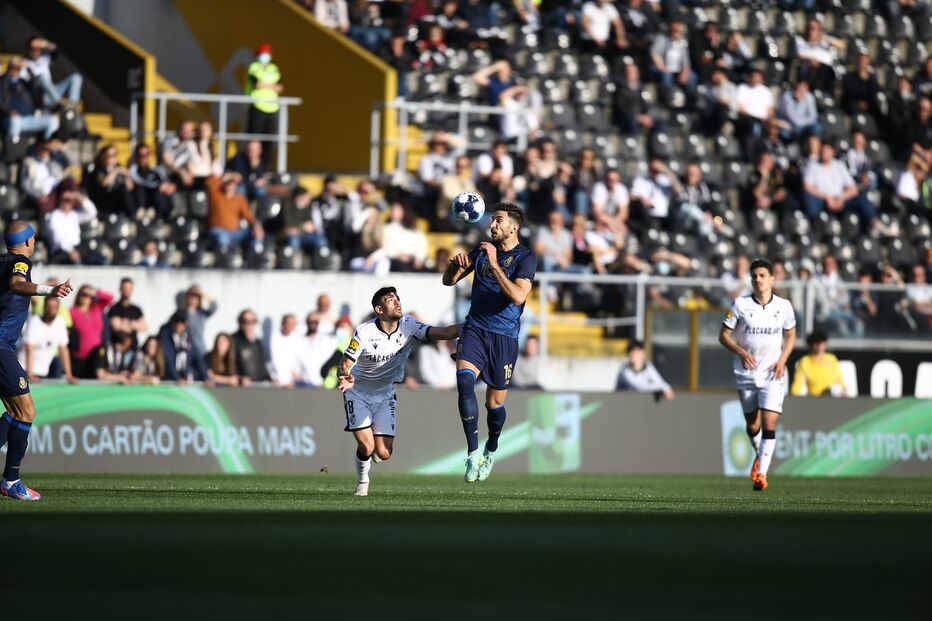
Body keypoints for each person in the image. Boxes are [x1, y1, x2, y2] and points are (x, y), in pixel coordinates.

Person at [442, 203, 537, 483]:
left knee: (494, 406)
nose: (492, 225)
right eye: (492, 220)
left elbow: (519, 297)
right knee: (463, 381)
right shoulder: (482, 250)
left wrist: (495, 264)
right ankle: (472, 455)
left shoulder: (525, 258)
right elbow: (449, 281)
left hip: (504, 338)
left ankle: (490, 448)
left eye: (498, 220)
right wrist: (454, 266)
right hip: (475, 329)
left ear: (513, 227)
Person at [337, 286, 460, 496]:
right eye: (389, 299)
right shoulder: (364, 332)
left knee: (384, 453)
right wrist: (344, 374)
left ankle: (377, 452)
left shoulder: (408, 324)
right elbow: (345, 363)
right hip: (359, 393)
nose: (396, 301)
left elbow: (443, 332)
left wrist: (473, 325)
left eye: (397, 298)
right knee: (367, 448)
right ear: (379, 309)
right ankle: (362, 482)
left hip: (385, 394)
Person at [0, 220, 73, 500]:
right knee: (26, 412)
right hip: (2, 347)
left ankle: (10, 480)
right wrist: (50, 290)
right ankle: (11, 480)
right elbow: (17, 284)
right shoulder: (19, 263)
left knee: (16, 413)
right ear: (29, 241)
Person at [719, 258, 796, 492]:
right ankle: (758, 457)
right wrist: (741, 352)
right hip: (747, 373)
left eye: (762, 275)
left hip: (773, 373)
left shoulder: (784, 306)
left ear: (772, 278)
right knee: (753, 426)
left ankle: (761, 475)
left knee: (770, 423)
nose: (758, 279)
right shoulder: (739, 305)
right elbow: (723, 335)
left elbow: (791, 335)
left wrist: (782, 360)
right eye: (754, 276)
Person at [19, 296, 77, 384]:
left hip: (42, 372)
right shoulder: (35, 321)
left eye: (54, 307)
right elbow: (29, 349)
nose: (51, 310)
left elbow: (63, 350)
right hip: (24, 370)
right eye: (49, 307)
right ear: (44, 307)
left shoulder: (60, 322)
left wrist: (69, 375)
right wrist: (30, 375)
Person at [245, 43, 283, 160]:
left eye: (267, 53)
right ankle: (252, 164)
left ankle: (264, 165)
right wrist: (272, 85)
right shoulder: (254, 67)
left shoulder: (274, 68)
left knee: (269, 140)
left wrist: (264, 85)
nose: (265, 56)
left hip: (272, 107)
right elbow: (257, 84)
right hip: (257, 106)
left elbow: (280, 87)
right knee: (254, 140)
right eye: (262, 53)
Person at [206, 172, 264, 249]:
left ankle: (257, 255)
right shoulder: (216, 194)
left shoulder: (239, 198)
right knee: (222, 238)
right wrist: (225, 176)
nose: (230, 185)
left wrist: (256, 226)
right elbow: (209, 182)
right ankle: (225, 257)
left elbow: (248, 216)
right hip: (218, 230)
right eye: (227, 182)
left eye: (232, 183)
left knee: (256, 234)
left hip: (235, 232)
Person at [22, 36, 82, 108]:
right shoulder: (24, 63)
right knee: (41, 77)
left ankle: (71, 107)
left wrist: (45, 44)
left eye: (38, 49)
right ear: (29, 50)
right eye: (34, 49)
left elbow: (58, 50)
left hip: (53, 91)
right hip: (41, 96)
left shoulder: (44, 58)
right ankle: (59, 105)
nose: (36, 51)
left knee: (76, 77)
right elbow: (25, 84)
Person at [70, 284, 114, 379]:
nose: (86, 297)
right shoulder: (72, 312)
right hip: (81, 357)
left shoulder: (97, 309)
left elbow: (110, 298)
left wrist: (94, 292)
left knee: (101, 348)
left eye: (88, 295)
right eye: (83, 294)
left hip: (97, 356)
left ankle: (106, 375)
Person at [790, 330, 847, 397]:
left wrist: (843, 388)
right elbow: (798, 383)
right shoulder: (805, 361)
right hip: (814, 399)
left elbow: (839, 379)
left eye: (822, 342)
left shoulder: (831, 359)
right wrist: (793, 396)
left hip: (832, 398)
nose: (820, 345)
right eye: (816, 342)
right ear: (811, 344)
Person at [158, 311, 207, 382]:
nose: (179, 324)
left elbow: (198, 360)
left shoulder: (189, 340)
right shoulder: (166, 339)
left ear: (186, 324)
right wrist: (177, 378)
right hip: (169, 380)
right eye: (176, 321)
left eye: (182, 322)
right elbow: (168, 361)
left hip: (184, 379)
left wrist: (206, 377)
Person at [108, 277, 148, 349]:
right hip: (118, 348)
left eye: (129, 289)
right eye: (125, 288)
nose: (127, 291)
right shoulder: (114, 309)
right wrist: (134, 324)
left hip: (133, 348)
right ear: (120, 289)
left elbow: (144, 327)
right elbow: (116, 327)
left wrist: (127, 323)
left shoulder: (136, 309)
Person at [232, 308, 269, 384]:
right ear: (240, 322)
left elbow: (262, 365)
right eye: (245, 321)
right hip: (241, 387)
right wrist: (239, 378)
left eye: (252, 321)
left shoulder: (258, 342)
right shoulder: (232, 340)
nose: (249, 324)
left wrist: (270, 379)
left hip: (258, 385)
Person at [268, 313, 302, 387]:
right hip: (277, 382)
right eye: (288, 323)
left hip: (293, 382)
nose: (291, 326)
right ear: (283, 324)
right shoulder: (274, 338)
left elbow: (297, 360)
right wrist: (275, 377)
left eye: (293, 324)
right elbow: (272, 360)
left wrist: (295, 376)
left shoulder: (297, 338)